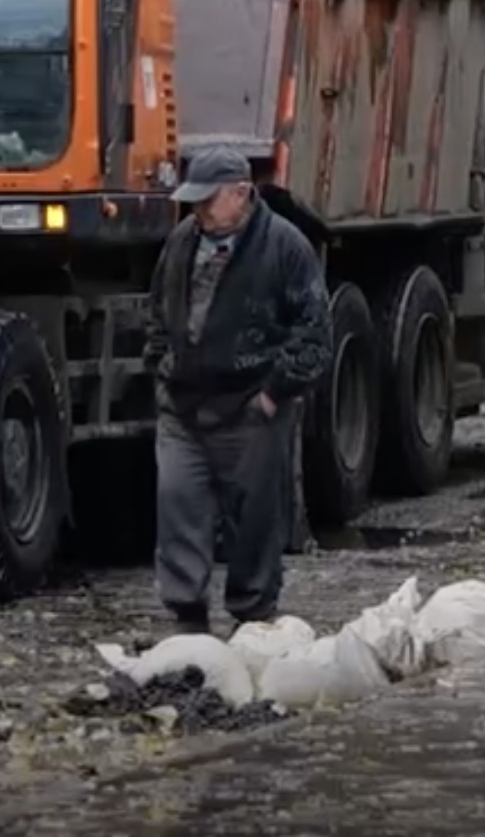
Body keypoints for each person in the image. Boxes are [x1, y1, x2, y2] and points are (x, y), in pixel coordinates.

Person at [143, 144, 332, 634]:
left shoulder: (285, 246)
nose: (200, 209)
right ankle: (186, 616)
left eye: (210, 199)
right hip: (184, 403)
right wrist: (161, 364)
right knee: (177, 502)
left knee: (255, 518)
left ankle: (253, 613)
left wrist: (272, 394)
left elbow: (313, 330)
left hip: (251, 405)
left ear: (242, 193)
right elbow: (159, 308)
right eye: (195, 200)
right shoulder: (182, 241)